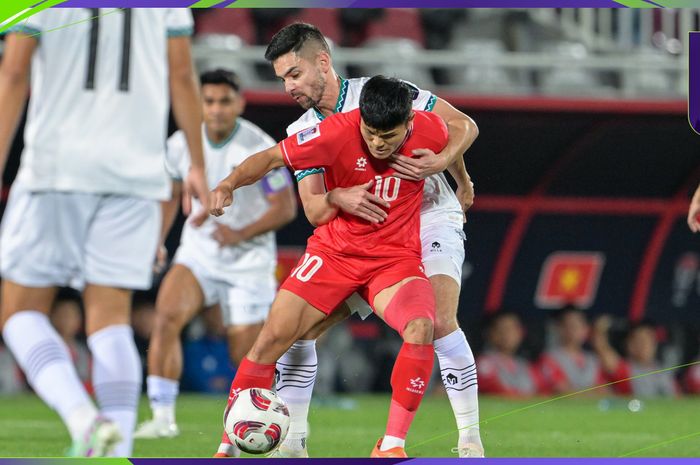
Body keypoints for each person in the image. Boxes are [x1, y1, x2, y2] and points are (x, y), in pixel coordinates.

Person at [215, 22, 483, 459]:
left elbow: (456, 126)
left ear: (323, 62)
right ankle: (293, 441)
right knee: (304, 330)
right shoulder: (307, 129)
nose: (289, 86)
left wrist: (451, 169)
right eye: (283, 78)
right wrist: (337, 195)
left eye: (295, 74)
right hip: (363, 237)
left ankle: (469, 440)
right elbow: (315, 211)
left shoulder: (384, 92)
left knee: (436, 319)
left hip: (428, 214)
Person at [0, 9, 209, 457]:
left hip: (56, 171)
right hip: (135, 177)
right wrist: (196, 163)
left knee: (19, 313)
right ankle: (116, 448)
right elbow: (182, 74)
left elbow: (14, 73)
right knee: (110, 323)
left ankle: (82, 418)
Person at [134, 68, 296, 439]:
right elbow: (172, 195)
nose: (217, 109)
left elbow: (285, 207)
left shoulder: (258, 145)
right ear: (198, 103)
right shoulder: (180, 144)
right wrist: (157, 241)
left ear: (239, 103)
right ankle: (162, 419)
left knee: (246, 353)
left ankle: (262, 422)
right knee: (166, 316)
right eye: (209, 101)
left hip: (249, 262)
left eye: (225, 101)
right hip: (199, 253)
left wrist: (239, 232)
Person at [591, 316, 678, 397]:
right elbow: (602, 348)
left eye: (648, 340)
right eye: (639, 341)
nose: (644, 345)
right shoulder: (625, 369)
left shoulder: (665, 372)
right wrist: (600, 328)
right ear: (629, 345)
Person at [538, 306, 606, 395]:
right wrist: (592, 392)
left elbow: (604, 390)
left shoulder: (593, 359)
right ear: (559, 328)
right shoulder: (549, 357)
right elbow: (564, 391)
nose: (573, 330)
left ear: (585, 329)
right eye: (568, 325)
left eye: (577, 325)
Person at [477, 312, 546, 397]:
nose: (507, 334)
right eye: (502, 329)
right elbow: (492, 388)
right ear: (491, 333)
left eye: (512, 329)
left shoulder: (523, 363)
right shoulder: (484, 362)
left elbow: (542, 390)